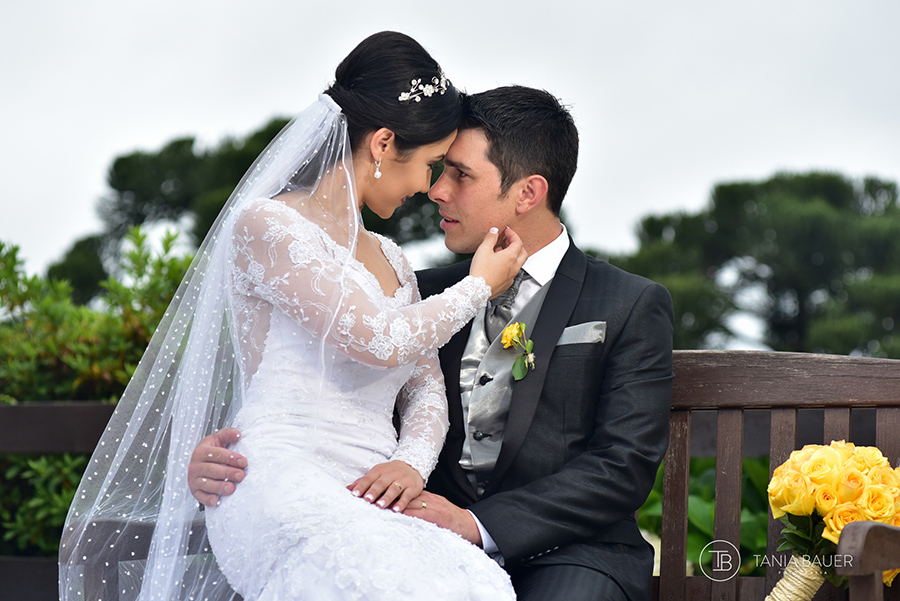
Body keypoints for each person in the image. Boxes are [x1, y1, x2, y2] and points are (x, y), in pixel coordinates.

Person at [59, 32, 524, 601]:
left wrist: (409, 465)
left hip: (369, 489)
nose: (429, 188)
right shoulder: (267, 227)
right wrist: (479, 285)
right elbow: (378, 341)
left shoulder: (394, 259)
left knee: (473, 583)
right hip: (279, 475)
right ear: (382, 144)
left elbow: (424, 387)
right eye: (430, 165)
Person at [191, 86, 675, 600]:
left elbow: (620, 466)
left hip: (571, 552)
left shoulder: (628, 303)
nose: (436, 190)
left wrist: (477, 524)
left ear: (528, 193)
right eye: (439, 168)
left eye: (460, 174)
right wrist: (230, 452)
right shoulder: (417, 292)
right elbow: (331, 383)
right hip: (412, 539)